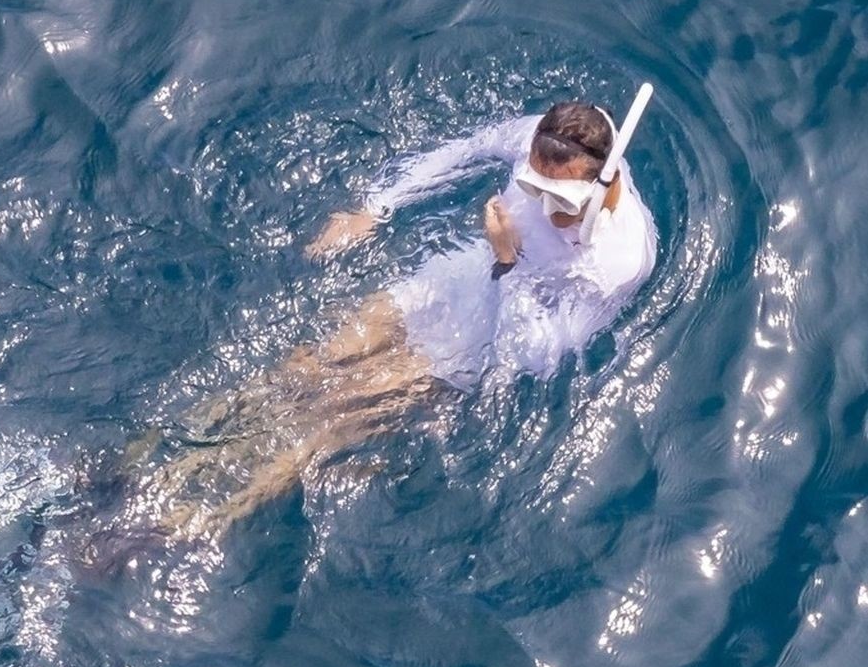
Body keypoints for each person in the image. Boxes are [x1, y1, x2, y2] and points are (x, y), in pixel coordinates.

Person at [114, 97, 657, 548]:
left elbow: (530, 357)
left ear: (600, 187)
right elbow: (465, 149)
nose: (540, 205)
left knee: (323, 427)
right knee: (305, 367)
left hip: (469, 351)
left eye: (556, 198)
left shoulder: (617, 263)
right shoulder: (552, 137)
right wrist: (377, 206)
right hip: (448, 282)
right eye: (531, 187)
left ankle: (168, 527)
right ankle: (139, 462)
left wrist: (507, 262)